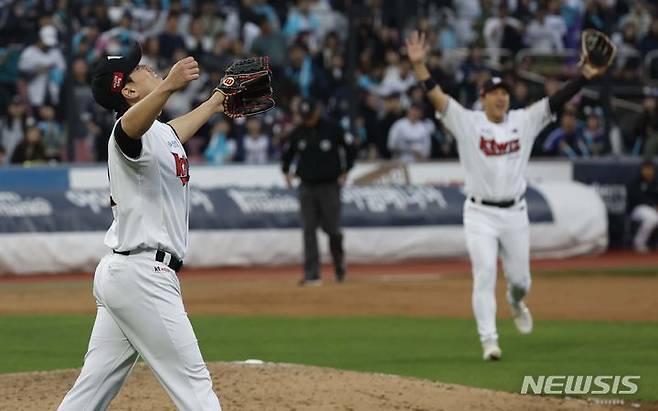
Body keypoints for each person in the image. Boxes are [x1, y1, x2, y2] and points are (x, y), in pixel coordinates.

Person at [406, 30, 610, 360]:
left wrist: (584, 75)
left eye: (504, 92)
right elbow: (437, 97)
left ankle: (516, 301)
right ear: (483, 98)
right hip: (479, 214)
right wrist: (419, 67)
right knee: (484, 273)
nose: (501, 97)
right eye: (494, 92)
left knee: (521, 280)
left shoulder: (523, 121)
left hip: (515, 213)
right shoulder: (467, 122)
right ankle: (489, 340)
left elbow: (556, 100)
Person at [58, 42, 225, 410]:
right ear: (129, 92)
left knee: (90, 392)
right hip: (143, 276)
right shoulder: (126, 131)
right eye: (139, 69)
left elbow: (175, 132)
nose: (148, 67)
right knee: (195, 387)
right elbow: (128, 129)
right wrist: (168, 85)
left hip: (125, 274)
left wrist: (215, 101)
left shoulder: (158, 132)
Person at [281, 98, 357, 286]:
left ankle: (339, 264)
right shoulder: (298, 132)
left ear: (317, 112)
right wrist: (286, 172)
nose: (308, 120)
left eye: (310, 116)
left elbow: (350, 149)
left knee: (332, 229)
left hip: (329, 186)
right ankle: (312, 274)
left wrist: (346, 169)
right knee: (309, 230)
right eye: (304, 117)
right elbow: (287, 154)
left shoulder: (333, 128)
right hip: (306, 186)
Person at [627, 160, 658, 253]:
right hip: (638, 209)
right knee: (653, 219)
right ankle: (639, 243)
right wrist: (653, 205)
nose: (648, 172)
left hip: (654, 208)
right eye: (646, 169)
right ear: (642, 170)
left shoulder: (656, 182)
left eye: (650, 169)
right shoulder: (636, 182)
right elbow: (637, 198)